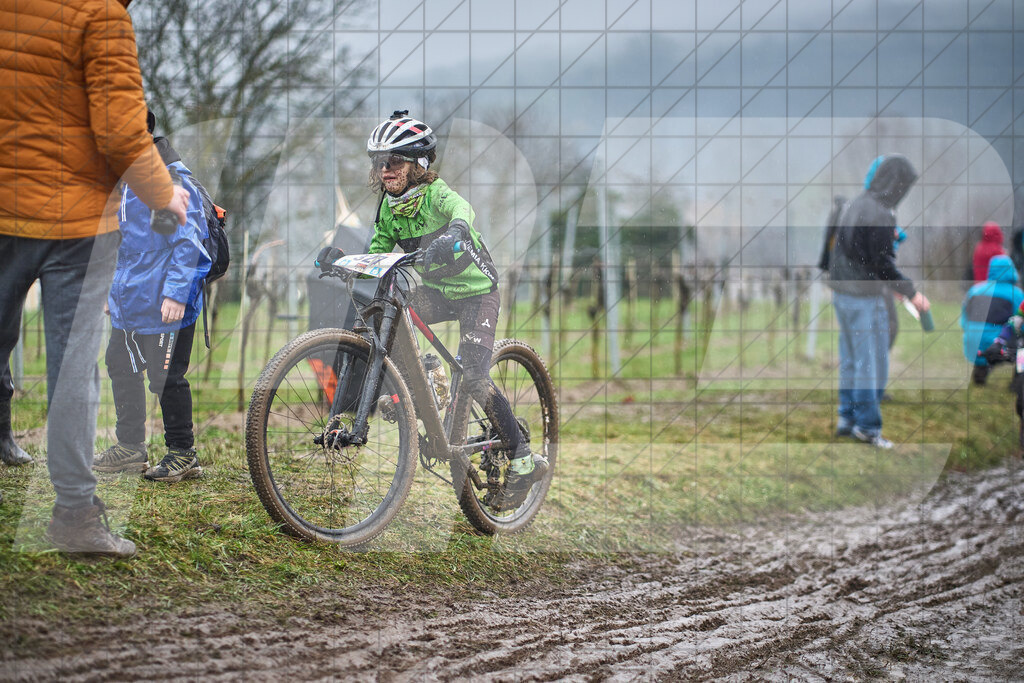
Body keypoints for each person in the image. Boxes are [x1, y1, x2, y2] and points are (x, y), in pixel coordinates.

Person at [0, 0, 190, 557]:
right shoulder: (99, 14)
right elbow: (121, 130)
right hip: (76, 223)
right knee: (73, 370)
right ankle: (75, 515)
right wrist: (164, 193)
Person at [364, 111, 547, 506]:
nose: (385, 169)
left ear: (417, 164)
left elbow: (463, 210)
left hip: (477, 295)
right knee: (388, 311)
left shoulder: (436, 195)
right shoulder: (389, 209)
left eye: (393, 161)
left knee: (476, 377)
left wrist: (456, 232)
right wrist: (348, 261)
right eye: (379, 162)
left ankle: (523, 460)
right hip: (440, 293)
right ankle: (425, 383)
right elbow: (377, 253)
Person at [91, 112, 211, 482]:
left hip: (166, 305)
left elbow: (189, 242)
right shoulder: (125, 183)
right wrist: (110, 292)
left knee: (166, 377)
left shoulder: (171, 178)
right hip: (130, 303)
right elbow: (118, 245)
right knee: (119, 364)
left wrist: (177, 293)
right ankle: (131, 447)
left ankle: (183, 453)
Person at [828, 154, 930, 449]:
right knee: (870, 364)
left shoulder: (855, 203)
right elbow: (883, 264)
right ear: (895, 183)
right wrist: (911, 293)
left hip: (842, 293)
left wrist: (888, 281)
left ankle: (846, 418)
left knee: (851, 360)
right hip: (864, 298)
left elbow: (856, 253)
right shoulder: (881, 214)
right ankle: (867, 428)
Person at [961, 255, 1023, 386]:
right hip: (998, 346)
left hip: (972, 345)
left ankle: (982, 367)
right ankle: (1018, 379)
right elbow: (1020, 323)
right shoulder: (1016, 294)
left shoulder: (975, 290)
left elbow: (963, 321)